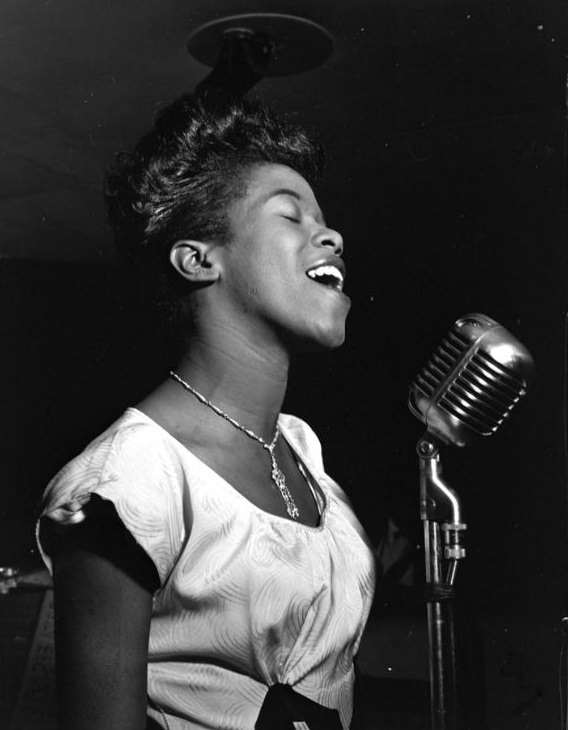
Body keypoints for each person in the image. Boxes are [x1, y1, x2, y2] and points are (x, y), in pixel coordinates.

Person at [36, 93, 377, 730]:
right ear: (198, 259)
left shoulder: (299, 450)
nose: (329, 234)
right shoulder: (131, 478)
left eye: (322, 219)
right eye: (290, 217)